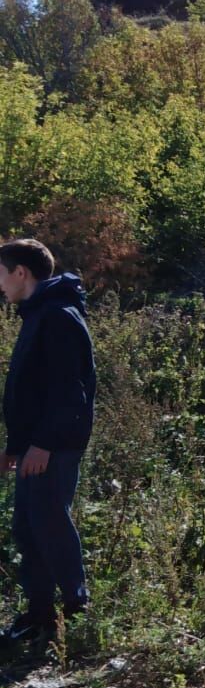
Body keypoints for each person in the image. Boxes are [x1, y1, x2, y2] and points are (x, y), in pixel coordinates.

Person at [1, 238, 96, 644]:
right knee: (28, 527)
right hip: (35, 446)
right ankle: (39, 617)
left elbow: (68, 391)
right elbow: (32, 390)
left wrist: (41, 444)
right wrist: (16, 446)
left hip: (52, 447)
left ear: (20, 272)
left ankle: (78, 614)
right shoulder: (38, 313)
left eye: (1, 275)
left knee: (50, 524)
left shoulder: (58, 315)